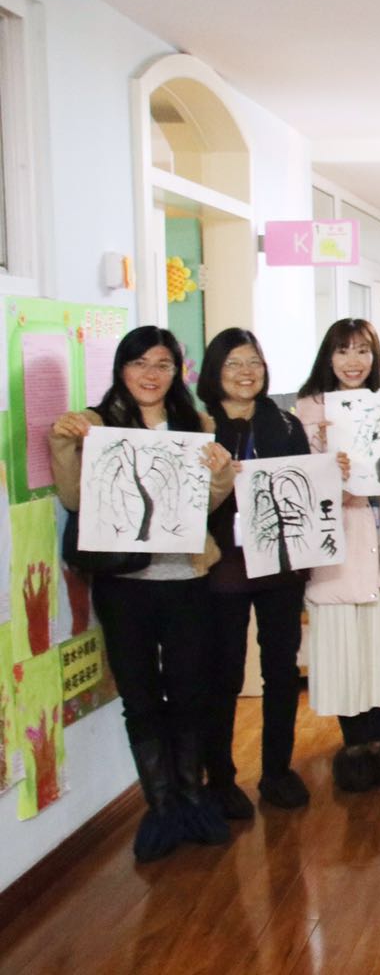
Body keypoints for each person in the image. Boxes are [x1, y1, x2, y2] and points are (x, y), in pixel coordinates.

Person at [50, 326, 237, 862]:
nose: (150, 375)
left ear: (177, 372)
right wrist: (64, 442)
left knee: (189, 692)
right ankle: (162, 809)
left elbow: (207, 505)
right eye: (139, 363)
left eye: (162, 364)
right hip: (122, 586)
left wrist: (220, 474)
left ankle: (194, 799)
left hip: (185, 581)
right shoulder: (95, 424)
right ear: (121, 368)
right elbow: (73, 498)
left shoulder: (197, 425)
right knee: (139, 698)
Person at [295, 319, 380, 794]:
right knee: (346, 649)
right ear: (328, 357)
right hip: (341, 551)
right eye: (343, 351)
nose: (354, 362)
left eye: (363, 351)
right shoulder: (307, 411)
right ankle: (354, 745)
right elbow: (299, 485)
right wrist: (324, 461)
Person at [196, 328, 313, 816]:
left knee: (281, 671)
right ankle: (220, 779)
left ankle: (277, 771)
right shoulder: (197, 428)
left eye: (254, 363)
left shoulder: (285, 424)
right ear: (215, 372)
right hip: (222, 563)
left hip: (279, 563)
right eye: (233, 364)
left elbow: (308, 488)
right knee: (222, 672)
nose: (246, 373)